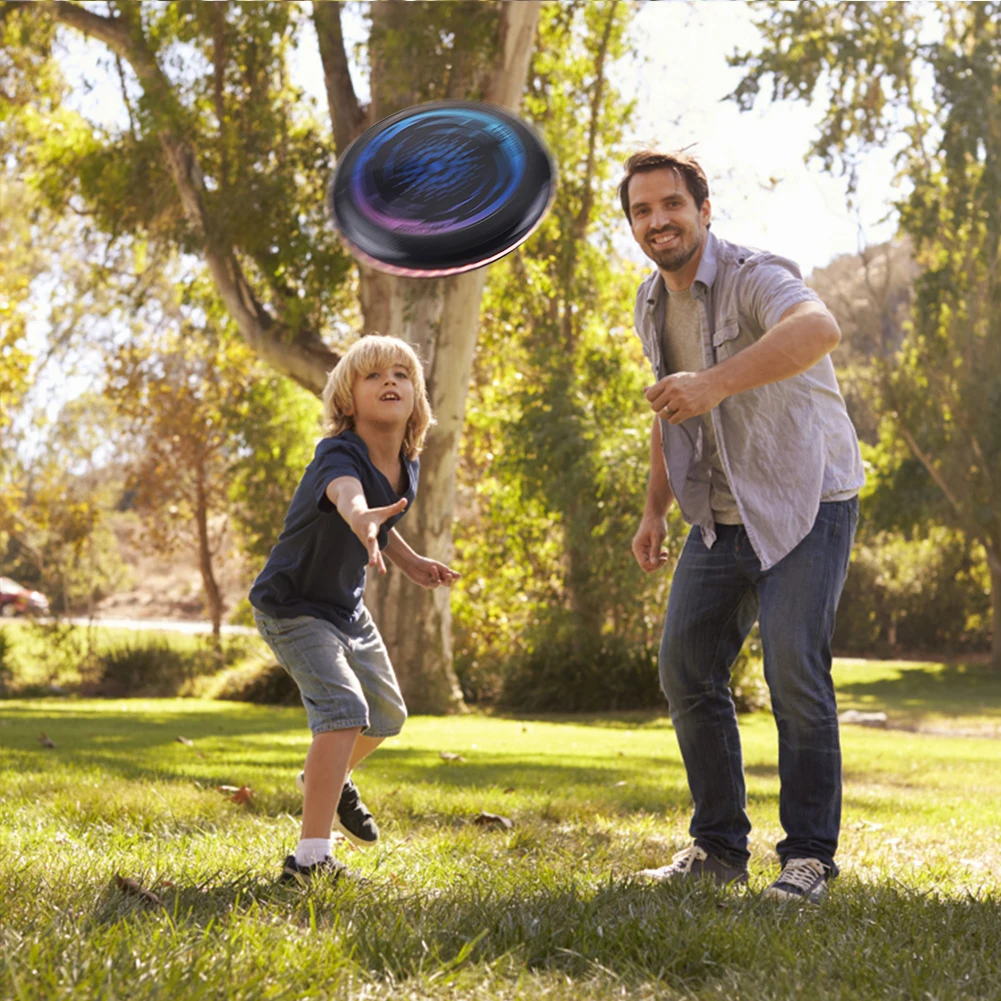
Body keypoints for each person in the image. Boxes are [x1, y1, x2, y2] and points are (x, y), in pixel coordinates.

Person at [622, 150, 864, 902]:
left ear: (702, 209)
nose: (658, 220)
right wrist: (655, 506)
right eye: (641, 210)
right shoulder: (650, 304)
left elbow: (817, 327)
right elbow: (674, 411)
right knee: (685, 667)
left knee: (793, 667)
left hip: (805, 498)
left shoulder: (754, 274)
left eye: (671, 204)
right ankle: (719, 847)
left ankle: (808, 857)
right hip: (718, 513)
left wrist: (714, 382)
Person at [249, 334, 460, 884]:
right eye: (373, 376)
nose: (390, 381)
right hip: (293, 606)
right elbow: (351, 498)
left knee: (388, 715)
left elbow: (380, 521)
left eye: (401, 374)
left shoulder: (406, 463)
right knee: (343, 710)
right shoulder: (337, 454)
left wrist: (409, 560)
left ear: (417, 395)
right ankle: (309, 860)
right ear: (347, 400)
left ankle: (327, 775)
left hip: (345, 610)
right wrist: (360, 515)